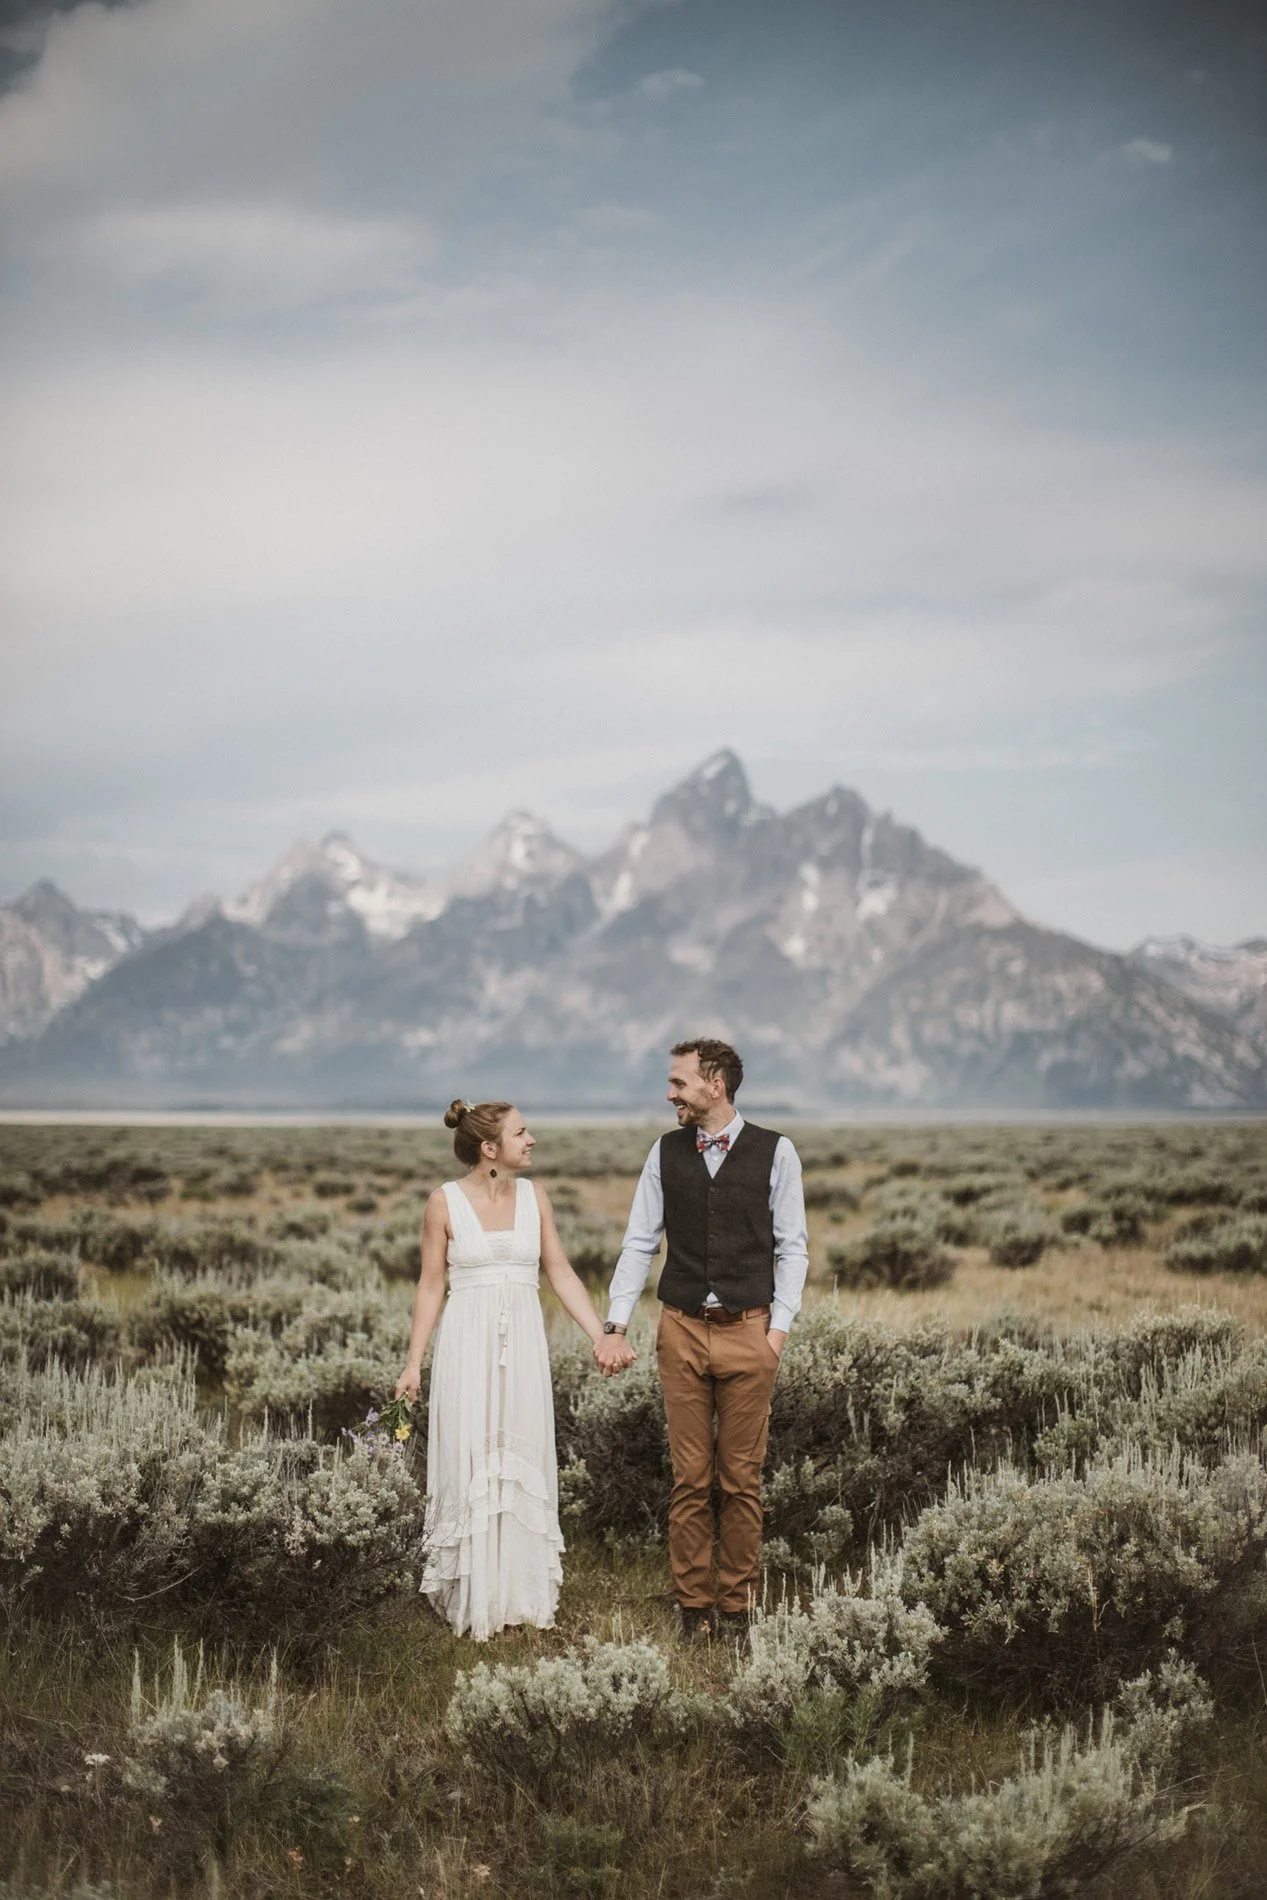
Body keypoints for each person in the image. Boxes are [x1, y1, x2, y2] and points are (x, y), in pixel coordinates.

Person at [594, 1039, 809, 1639]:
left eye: (679, 1083)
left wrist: (777, 1332)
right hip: (682, 1331)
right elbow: (640, 1242)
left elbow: (793, 1248)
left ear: (715, 1085)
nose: (671, 1094)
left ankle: (737, 1609)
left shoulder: (776, 1151)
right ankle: (692, 1608)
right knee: (689, 1477)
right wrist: (616, 1323)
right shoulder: (665, 1152)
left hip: (750, 1333)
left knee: (741, 1480)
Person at [395, 1099, 609, 1641]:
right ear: (489, 1148)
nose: (531, 1140)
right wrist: (414, 1362)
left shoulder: (535, 1198)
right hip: (466, 1350)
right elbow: (430, 1285)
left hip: (524, 1354)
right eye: (521, 1132)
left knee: (520, 1451)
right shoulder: (443, 1203)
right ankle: (473, 1595)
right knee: (470, 1454)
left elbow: (561, 1273)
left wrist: (601, 1335)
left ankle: (518, 1594)